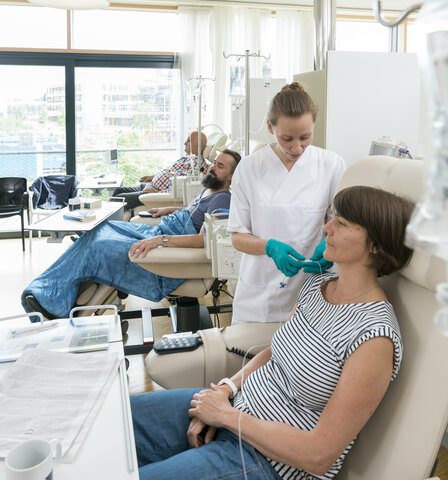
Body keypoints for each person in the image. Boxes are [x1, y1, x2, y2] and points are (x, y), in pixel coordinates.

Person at [130, 186, 416, 480]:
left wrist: (227, 418)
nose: (326, 228)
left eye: (341, 223)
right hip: (234, 407)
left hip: (266, 461)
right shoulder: (318, 285)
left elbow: (319, 455)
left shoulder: (374, 336)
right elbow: (273, 353)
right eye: (333, 217)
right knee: (119, 419)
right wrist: (227, 391)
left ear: (375, 246)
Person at [21, 149, 241, 320]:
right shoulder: (210, 188)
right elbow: (194, 213)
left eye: (220, 166)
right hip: (161, 230)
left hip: (168, 247)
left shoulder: (223, 201)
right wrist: (170, 210)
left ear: (231, 176)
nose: (212, 168)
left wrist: (159, 240)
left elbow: (202, 240)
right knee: (98, 228)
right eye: (214, 163)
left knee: (97, 246)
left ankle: (52, 303)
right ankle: (55, 289)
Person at [228, 82, 346, 325]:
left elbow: (341, 221)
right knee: (249, 356)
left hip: (313, 289)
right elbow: (238, 237)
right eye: (287, 138)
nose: (297, 147)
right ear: (270, 128)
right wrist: (270, 247)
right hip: (259, 294)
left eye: (305, 137)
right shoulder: (250, 168)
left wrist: (328, 245)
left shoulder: (331, 165)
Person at [112, 131, 208, 211]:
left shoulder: (197, 167)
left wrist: (159, 192)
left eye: (188, 141)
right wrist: (153, 177)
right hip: (149, 185)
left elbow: (184, 189)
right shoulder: (187, 159)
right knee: (118, 190)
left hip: (153, 193)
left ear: (197, 146)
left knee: (118, 199)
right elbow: (169, 171)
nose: (185, 143)